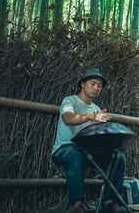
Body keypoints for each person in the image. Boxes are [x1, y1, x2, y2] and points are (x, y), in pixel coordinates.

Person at [51, 68, 127, 213]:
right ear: (82, 84)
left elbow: (96, 135)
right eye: (93, 84)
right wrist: (90, 117)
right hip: (65, 148)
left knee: (119, 157)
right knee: (75, 154)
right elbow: (67, 119)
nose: (96, 88)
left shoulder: (96, 108)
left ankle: (110, 200)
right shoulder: (70, 100)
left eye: (99, 85)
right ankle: (77, 203)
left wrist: (103, 125)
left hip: (87, 150)